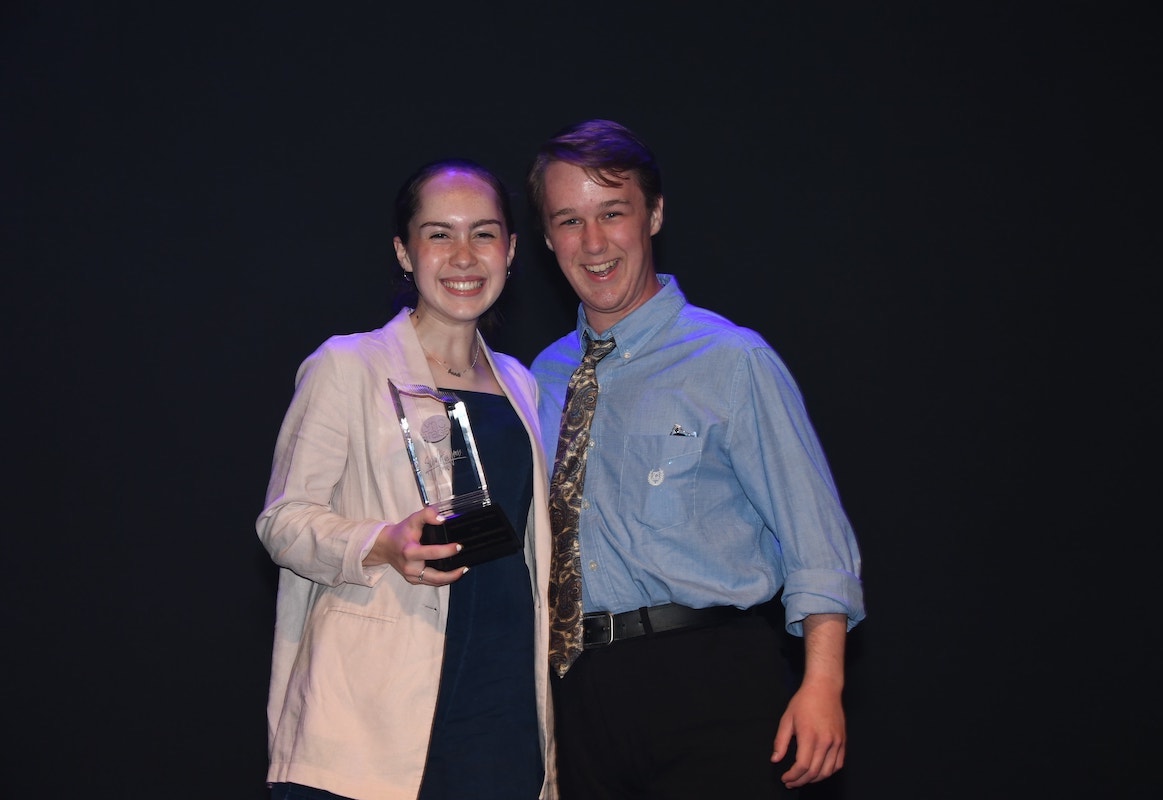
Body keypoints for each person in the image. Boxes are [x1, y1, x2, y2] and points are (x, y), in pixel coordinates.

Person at [527, 119, 866, 798]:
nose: (593, 243)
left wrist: (823, 684)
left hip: (712, 685)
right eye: (569, 220)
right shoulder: (539, 378)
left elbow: (817, 541)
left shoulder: (732, 360)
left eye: (612, 213)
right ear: (546, 237)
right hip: (577, 695)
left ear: (653, 215)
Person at [257, 159, 557, 800]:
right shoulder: (348, 366)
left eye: (483, 233)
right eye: (438, 233)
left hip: (502, 703)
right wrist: (382, 543)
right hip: (376, 709)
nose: (463, 255)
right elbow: (283, 521)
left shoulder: (522, 383)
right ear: (403, 251)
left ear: (510, 250)